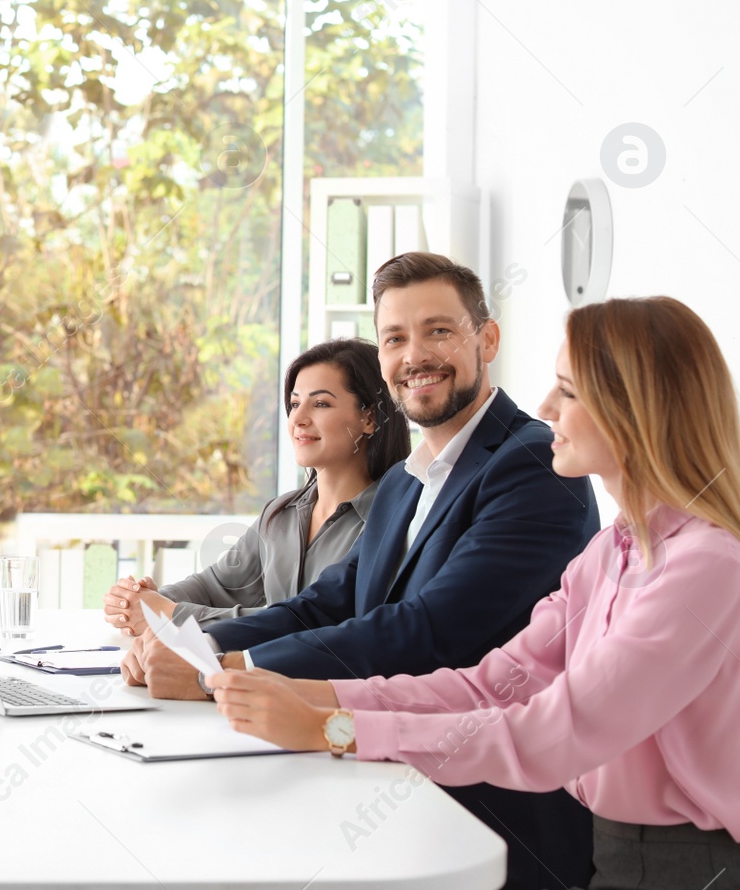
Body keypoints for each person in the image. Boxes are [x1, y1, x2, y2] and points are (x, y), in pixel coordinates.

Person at [209, 296, 740, 890]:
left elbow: (554, 731)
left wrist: (331, 729)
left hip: (684, 872)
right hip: (613, 855)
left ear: (636, 410)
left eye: (568, 391)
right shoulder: (611, 554)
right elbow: (487, 684)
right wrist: (309, 693)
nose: (545, 408)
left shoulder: (703, 566)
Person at [126, 252, 601, 890]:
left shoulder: (532, 464)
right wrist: (200, 647)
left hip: (492, 820)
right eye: (395, 338)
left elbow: (429, 632)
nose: (416, 355)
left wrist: (223, 675)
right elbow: (325, 603)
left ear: (486, 339)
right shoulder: (404, 484)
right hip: (384, 785)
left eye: (439, 330)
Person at [103, 337, 410, 630]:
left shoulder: (391, 520)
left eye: (320, 404)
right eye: (294, 403)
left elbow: (307, 624)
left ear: (369, 418)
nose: (298, 419)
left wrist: (171, 614)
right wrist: (146, 601)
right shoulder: (281, 513)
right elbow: (215, 587)